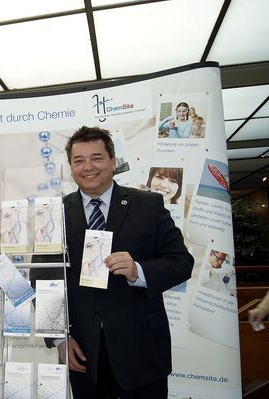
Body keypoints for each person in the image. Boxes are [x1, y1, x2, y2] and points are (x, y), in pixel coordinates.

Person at [59, 126, 194, 398]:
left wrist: (139, 271)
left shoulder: (148, 204)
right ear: (71, 167)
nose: (88, 167)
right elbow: (44, 278)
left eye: (96, 157)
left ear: (112, 161)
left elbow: (182, 262)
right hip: (84, 353)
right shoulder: (55, 213)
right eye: (78, 160)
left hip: (141, 350)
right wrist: (59, 338)